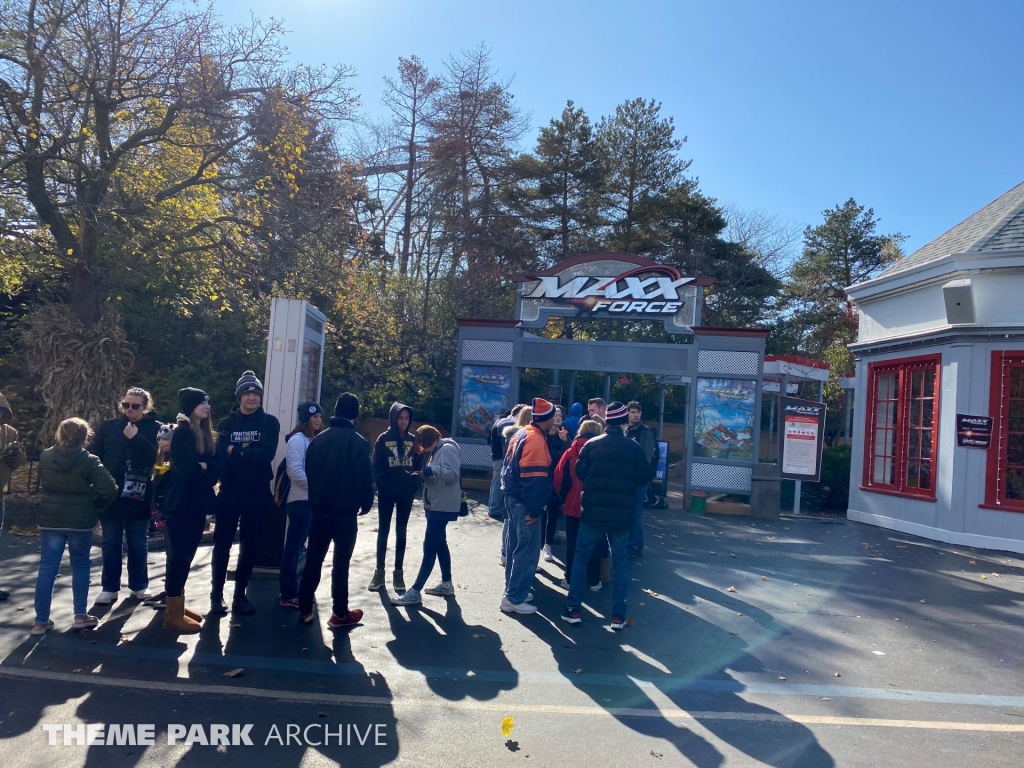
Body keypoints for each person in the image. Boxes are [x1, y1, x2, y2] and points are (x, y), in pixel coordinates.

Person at [561, 402, 653, 630]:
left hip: (592, 512)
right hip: (622, 515)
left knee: (581, 558)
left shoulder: (591, 445)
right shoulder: (634, 448)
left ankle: (573, 609)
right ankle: (617, 616)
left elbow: (579, 472)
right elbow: (643, 479)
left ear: (605, 421)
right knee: (621, 562)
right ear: (623, 422)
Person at [32, 418, 117, 635]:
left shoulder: (46, 456)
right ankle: (80, 615)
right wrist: (96, 503)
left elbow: (45, 484)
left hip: (51, 518)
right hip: (80, 520)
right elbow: (109, 488)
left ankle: (40, 621)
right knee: (80, 565)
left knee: (47, 568)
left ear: (59, 434)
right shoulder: (89, 460)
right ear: (84, 437)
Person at [299, 393, 374, 628]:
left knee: (314, 559)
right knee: (341, 564)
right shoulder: (358, 442)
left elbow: (309, 471)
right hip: (344, 513)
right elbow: (363, 478)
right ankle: (339, 613)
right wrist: (366, 502)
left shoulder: (318, 440)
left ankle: (304, 608)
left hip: (319, 510)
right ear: (355, 414)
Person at [211, 370, 281, 615]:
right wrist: (246, 454)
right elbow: (220, 457)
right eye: (248, 393)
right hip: (229, 492)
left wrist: (236, 451)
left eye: (256, 393)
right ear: (240, 396)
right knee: (222, 544)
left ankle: (240, 595)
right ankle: (216, 595)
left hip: (257, 492)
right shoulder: (225, 424)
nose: (252, 398)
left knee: (250, 546)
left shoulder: (269, 422)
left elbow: (266, 456)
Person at [91, 387, 161, 604]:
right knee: (111, 542)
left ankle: (139, 585)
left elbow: (156, 458)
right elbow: (94, 455)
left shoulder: (155, 428)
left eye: (135, 406)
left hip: (138, 494)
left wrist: (136, 437)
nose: (130, 409)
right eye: (126, 405)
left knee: (137, 543)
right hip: (111, 494)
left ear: (145, 407)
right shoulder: (109, 426)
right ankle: (109, 587)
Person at [162, 388, 219, 633]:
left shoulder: (201, 433)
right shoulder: (183, 433)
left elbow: (214, 466)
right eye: (202, 403)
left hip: (194, 504)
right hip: (182, 504)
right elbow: (188, 472)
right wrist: (206, 472)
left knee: (185, 555)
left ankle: (177, 604)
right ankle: (172, 614)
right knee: (180, 556)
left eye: (208, 402)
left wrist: (207, 468)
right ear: (191, 407)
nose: (207, 407)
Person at [391, 426, 463, 606]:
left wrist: (433, 470)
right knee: (439, 544)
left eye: (423, 445)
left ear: (429, 440)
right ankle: (446, 583)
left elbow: (453, 475)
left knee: (429, 547)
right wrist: (427, 473)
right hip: (438, 504)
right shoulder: (440, 450)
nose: (423, 449)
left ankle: (415, 591)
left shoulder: (446, 449)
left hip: (442, 505)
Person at [500, 398, 555, 615]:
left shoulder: (522, 433)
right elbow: (535, 479)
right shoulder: (536, 440)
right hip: (524, 502)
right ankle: (514, 597)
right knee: (527, 551)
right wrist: (535, 509)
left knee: (515, 548)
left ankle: (513, 592)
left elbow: (509, 468)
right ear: (548, 419)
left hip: (513, 498)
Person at [369, 402, 419, 593]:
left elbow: (419, 465)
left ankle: (398, 572)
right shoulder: (383, 439)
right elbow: (376, 466)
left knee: (401, 532)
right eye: (400, 417)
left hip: (406, 494)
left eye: (406, 418)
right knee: (384, 531)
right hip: (386, 494)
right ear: (393, 417)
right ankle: (379, 571)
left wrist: (414, 485)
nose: (403, 422)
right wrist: (382, 485)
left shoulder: (414, 440)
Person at [278, 402, 323, 609]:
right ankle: (287, 593)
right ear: (305, 419)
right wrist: (317, 487)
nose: (318, 420)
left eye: (320, 417)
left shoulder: (312, 439)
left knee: (302, 548)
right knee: (293, 547)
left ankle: (299, 590)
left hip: (310, 501)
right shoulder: (297, 440)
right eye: (313, 417)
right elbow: (294, 472)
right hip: (299, 501)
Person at [553, 416, 605, 590]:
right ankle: (594, 580)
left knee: (573, 543)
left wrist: (564, 496)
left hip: (574, 502)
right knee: (596, 543)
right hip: (597, 505)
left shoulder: (571, 451)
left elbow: (558, 476)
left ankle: (570, 579)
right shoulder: (604, 451)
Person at [0, 392, 26, 601]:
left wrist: (14, 453)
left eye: (1, 411)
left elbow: (16, 464)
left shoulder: (10, 432)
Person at [499, 405, 531, 567]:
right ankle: (508, 556)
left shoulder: (512, 435)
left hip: (508, 483)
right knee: (518, 531)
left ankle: (504, 553)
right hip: (518, 487)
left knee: (509, 522)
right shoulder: (525, 437)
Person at [625, 401, 656, 559]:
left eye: (638, 412)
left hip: (639, 478)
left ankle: (633, 545)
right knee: (632, 512)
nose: (635, 415)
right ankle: (636, 544)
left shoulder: (645, 432)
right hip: (629, 477)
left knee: (635, 513)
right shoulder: (626, 430)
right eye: (633, 412)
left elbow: (647, 456)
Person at [542, 405, 570, 563]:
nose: (558, 418)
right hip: (542, 478)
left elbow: (569, 454)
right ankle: (539, 542)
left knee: (552, 513)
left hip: (557, 479)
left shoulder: (565, 433)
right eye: (556, 415)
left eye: (560, 415)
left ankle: (548, 544)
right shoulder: (543, 434)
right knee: (539, 512)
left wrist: (565, 441)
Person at [487, 406, 520, 521]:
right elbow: (506, 445)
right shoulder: (510, 424)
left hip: (496, 457)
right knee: (499, 483)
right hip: (502, 458)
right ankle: (495, 508)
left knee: (495, 482)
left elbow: (488, 439)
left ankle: (493, 506)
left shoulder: (499, 422)